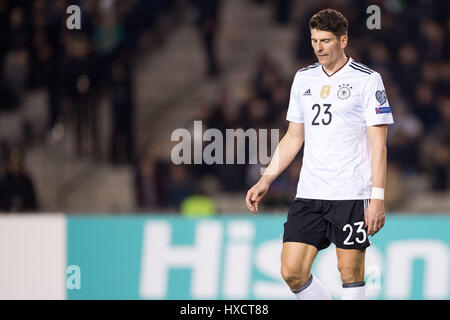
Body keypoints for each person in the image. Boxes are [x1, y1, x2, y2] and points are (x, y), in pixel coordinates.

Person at [245, 9, 394, 300]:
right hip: (310, 192)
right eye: (314, 40)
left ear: (343, 40)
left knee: (350, 273)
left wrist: (377, 198)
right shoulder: (303, 79)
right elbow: (293, 136)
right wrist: (266, 179)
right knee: (292, 271)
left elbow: (379, 145)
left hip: (351, 192)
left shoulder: (367, 80)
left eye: (325, 41)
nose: (318, 47)